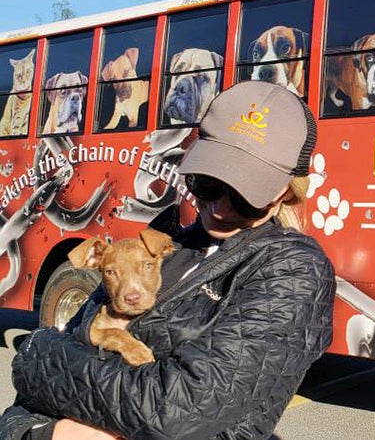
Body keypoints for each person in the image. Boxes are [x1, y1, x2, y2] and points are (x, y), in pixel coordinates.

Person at [0, 80, 337, 440]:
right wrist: (41, 431)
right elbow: (32, 395)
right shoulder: (167, 240)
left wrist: (39, 354)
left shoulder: (294, 270)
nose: (219, 207)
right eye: (207, 183)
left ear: (285, 191)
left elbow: (177, 411)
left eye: (243, 194)